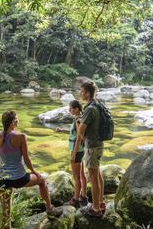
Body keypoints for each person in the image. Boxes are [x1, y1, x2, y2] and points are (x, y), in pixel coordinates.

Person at [0, 110, 60, 229]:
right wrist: (34, 172)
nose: (18, 121)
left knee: (5, 214)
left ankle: (7, 225)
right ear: (12, 122)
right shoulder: (21, 137)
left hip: (2, 179)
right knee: (42, 181)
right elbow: (26, 159)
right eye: (16, 119)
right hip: (19, 178)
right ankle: (50, 210)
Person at [76, 81, 105, 217]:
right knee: (97, 174)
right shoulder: (98, 105)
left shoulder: (89, 109)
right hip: (99, 144)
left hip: (92, 147)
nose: (80, 93)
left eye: (81, 91)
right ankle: (101, 202)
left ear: (87, 93)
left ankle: (95, 209)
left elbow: (81, 129)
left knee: (93, 177)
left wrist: (81, 137)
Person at [65, 100, 88, 207]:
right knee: (82, 174)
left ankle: (75, 199)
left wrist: (73, 154)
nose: (69, 110)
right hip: (81, 150)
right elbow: (77, 133)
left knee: (76, 176)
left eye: (71, 108)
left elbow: (78, 138)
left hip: (77, 150)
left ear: (76, 109)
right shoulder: (81, 118)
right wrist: (62, 130)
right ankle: (83, 196)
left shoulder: (78, 120)